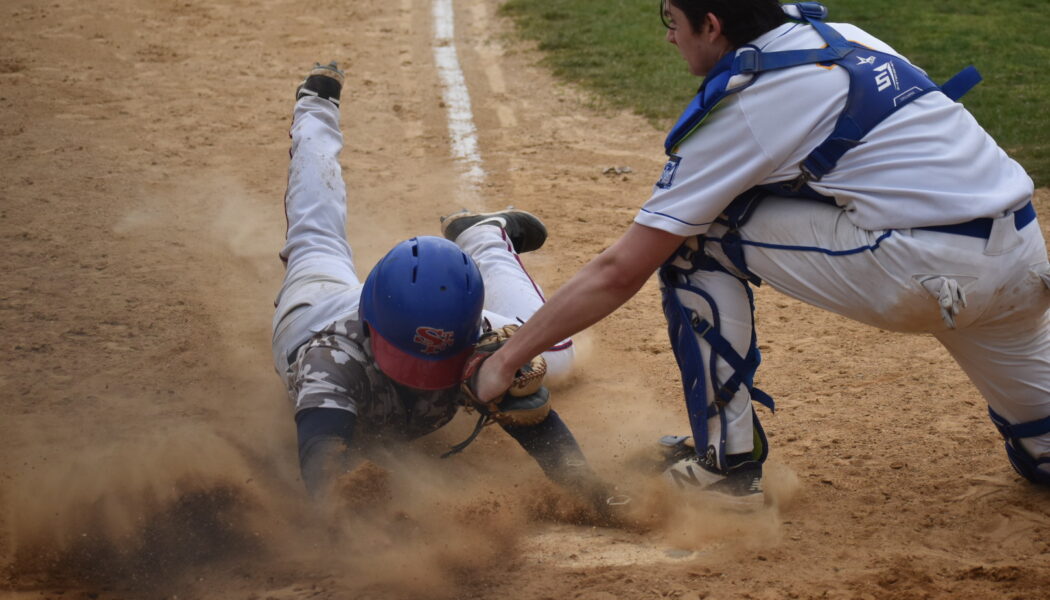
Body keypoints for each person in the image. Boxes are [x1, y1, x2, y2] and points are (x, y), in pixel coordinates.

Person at [470, 0, 1050, 508]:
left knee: (693, 238)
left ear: (713, 25)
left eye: (673, 21)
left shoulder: (750, 101)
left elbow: (622, 269)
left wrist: (505, 360)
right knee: (1042, 456)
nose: (669, 36)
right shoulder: (843, 38)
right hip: (1024, 261)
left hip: (924, 272)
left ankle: (727, 468)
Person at [271, 61, 615, 513]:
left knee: (554, 354)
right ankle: (317, 107)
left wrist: (591, 494)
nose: (423, 375)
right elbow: (323, 466)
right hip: (315, 307)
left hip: (404, 312)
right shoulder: (329, 361)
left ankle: (484, 237)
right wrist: (356, 514)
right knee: (315, 233)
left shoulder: (478, 337)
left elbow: (550, 444)